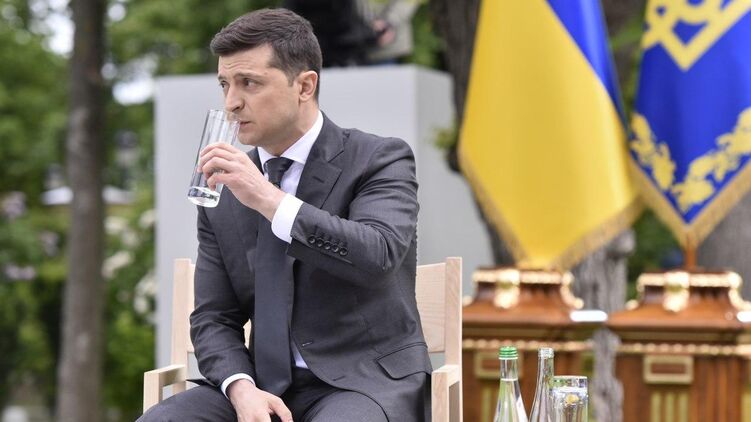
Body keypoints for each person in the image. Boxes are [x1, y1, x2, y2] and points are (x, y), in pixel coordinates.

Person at [138, 8, 430, 422]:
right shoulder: (224, 186)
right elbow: (213, 317)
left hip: (361, 383)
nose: (232, 102)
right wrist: (240, 388)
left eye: (249, 83)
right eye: (224, 84)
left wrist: (268, 198)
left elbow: (378, 255)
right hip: (259, 384)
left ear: (305, 86)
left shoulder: (379, 159)